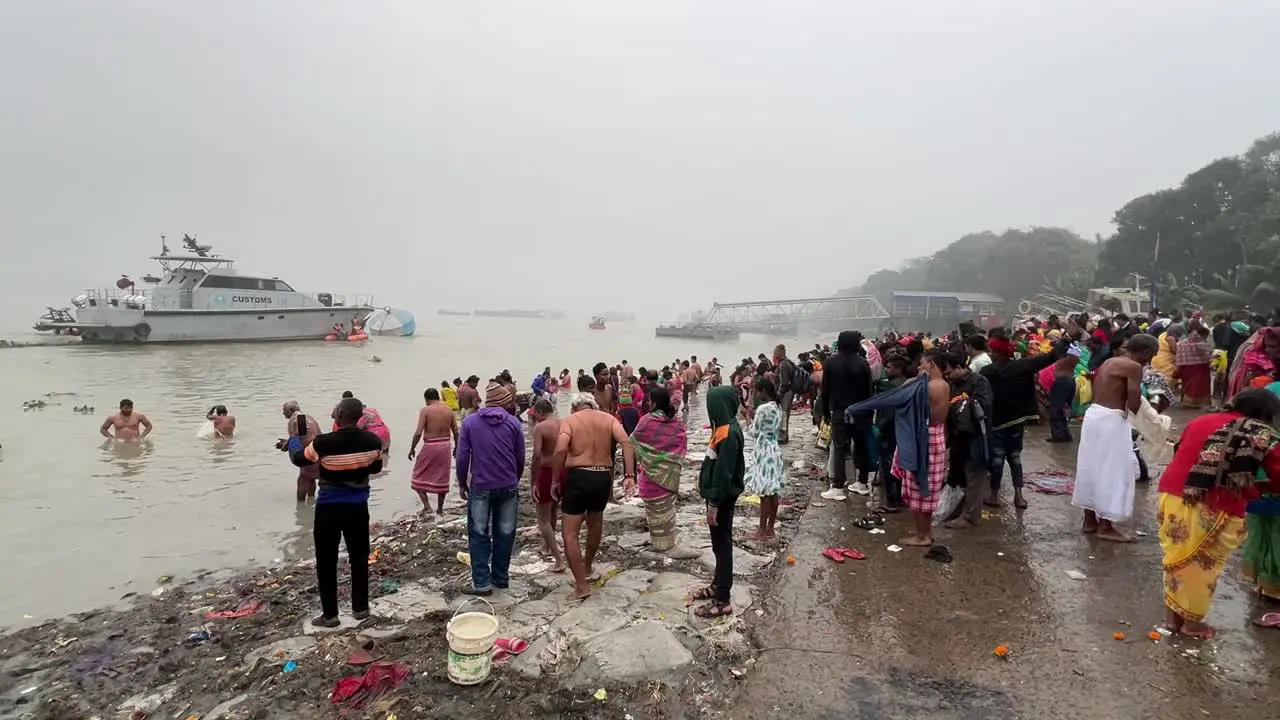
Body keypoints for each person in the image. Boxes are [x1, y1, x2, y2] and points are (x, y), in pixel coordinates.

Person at [1157, 388, 1280, 639]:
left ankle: (1174, 619)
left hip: (1172, 493)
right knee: (1202, 564)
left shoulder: (1201, 420)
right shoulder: (1260, 432)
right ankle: (1191, 623)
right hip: (1212, 501)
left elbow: (1181, 450)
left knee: (1178, 557)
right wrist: (1262, 487)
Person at [288, 397, 383, 627]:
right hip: (358, 507)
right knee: (359, 558)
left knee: (326, 560)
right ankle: (361, 608)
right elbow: (376, 467)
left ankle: (330, 615)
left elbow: (299, 459)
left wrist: (293, 441)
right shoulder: (373, 441)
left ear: (339, 415)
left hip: (329, 508)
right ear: (359, 416)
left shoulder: (323, 443)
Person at [1071, 334, 1160, 542]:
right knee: (1113, 471)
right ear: (1146, 353)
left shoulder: (1110, 361)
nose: (1151, 360)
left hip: (1094, 415)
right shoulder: (1133, 367)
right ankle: (1106, 526)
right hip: (1111, 420)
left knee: (1091, 468)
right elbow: (1134, 402)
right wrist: (1153, 412)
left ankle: (1090, 521)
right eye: (1152, 356)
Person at [552, 391, 636, 601]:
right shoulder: (608, 419)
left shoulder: (569, 421)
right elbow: (627, 443)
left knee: (570, 534)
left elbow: (561, 449)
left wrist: (555, 479)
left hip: (579, 476)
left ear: (573, 408)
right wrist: (629, 475)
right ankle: (588, 568)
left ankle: (581, 587)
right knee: (595, 524)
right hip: (602, 477)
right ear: (593, 405)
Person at [455, 382, 525, 596]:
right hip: (508, 485)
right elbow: (520, 455)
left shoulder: (470, 422)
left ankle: (482, 583)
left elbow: (462, 455)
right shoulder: (513, 423)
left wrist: (461, 483)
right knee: (505, 533)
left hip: (481, 486)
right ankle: (501, 579)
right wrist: (516, 477)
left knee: (478, 533)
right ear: (504, 403)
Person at [982, 335, 1065, 509]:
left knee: (997, 460)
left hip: (997, 422)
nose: (991, 354)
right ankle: (1019, 497)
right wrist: (1068, 339)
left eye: (992, 351)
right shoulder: (1024, 365)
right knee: (1015, 458)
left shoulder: (987, 371)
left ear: (997, 352)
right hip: (1017, 420)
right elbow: (1050, 356)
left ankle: (994, 496)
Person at [691, 386, 745, 618]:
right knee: (717, 545)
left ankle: (723, 599)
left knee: (722, 546)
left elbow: (724, 473)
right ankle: (717, 583)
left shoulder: (729, 433)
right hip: (716, 496)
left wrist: (713, 503)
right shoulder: (721, 429)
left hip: (721, 499)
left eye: (711, 404)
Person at [630, 387, 688, 551]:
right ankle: (666, 543)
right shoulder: (676, 421)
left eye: (649, 400)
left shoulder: (647, 421)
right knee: (667, 511)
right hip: (670, 474)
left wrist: (646, 457)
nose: (647, 403)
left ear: (654, 402)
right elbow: (682, 443)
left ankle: (661, 545)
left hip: (650, 475)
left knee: (655, 512)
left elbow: (633, 441)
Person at [820, 331, 875, 501]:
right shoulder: (863, 363)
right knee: (861, 446)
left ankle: (838, 486)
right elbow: (869, 390)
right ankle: (862, 483)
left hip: (839, 412)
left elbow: (825, 390)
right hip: (860, 411)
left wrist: (824, 412)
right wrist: (869, 412)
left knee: (839, 448)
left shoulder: (831, 362)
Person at [941, 353, 993, 529]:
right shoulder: (953, 384)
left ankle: (970, 517)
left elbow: (983, 406)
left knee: (975, 477)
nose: (946, 376)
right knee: (959, 475)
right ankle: (960, 510)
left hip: (976, 436)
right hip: (958, 438)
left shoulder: (979, 382)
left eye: (948, 372)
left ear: (959, 367)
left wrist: (961, 405)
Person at [527, 399, 566, 572]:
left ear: (541, 412)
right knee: (553, 510)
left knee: (542, 518)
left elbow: (536, 456)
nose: (535, 418)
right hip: (563, 471)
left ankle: (559, 560)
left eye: (535, 414)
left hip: (547, 472)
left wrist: (533, 481)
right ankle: (546, 545)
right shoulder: (564, 423)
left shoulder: (540, 428)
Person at [409, 387, 459, 516]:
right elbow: (456, 431)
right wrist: (457, 447)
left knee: (417, 476)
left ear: (426, 399)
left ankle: (427, 506)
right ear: (438, 397)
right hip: (446, 445)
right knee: (442, 477)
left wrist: (412, 448)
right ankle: (440, 510)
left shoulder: (425, 410)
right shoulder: (448, 410)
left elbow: (418, 432)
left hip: (431, 445)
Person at [745, 377, 785, 539]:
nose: (755, 394)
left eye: (756, 390)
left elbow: (754, 433)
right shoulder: (777, 407)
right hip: (774, 449)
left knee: (764, 493)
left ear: (763, 391)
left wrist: (747, 417)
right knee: (773, 491)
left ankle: (761, 530)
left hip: (763, 451)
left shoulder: (762, 409)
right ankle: (770, 528)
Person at [874, 356, 910, 512]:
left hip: (891, 430)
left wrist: (881, 428)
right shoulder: (908, 383)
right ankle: (901, 497)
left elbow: (889, 412)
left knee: (889, 465)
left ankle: (891, 501)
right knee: (900, 464)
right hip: (904, 430)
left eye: (889, 367)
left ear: (898, 368)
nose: (886, 370)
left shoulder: (893, 386)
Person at [282, 401, 321, 502]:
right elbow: (305, 434)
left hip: (307, 452)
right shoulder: (309, 417)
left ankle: (301, 506)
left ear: (291, 410)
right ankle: (311, 501)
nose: (283, 413)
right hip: (317, 449)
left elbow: (294, 437)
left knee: (303, 479)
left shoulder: (293, 419)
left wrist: (285, 446)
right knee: (310, 477)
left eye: (284, 411)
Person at [1045, 345, 1081, 443]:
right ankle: (1064, 434)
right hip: (1070, 381)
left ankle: (1058, 435)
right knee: (1061, 409)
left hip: (1061, 382)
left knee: (1055, 409)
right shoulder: (1075, 358)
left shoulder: (1067, 358)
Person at [1176, 324, 1214, 409]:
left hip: (1186, 368)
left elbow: (1180, 357)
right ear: (1201, 334)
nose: (1206, 337)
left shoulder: (1183, 343)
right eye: (1205, 336)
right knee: (1200, 386)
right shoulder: (1203, 344)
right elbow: (1208, 356)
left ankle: (1187, 403)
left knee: (1188, 385)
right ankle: (1200, 403)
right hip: (1201, 368)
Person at [773, 344, 798, 444]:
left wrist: (779, 394)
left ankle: (783, 436)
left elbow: (784, 382)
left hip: (786, 392)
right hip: (790, 391)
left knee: (783, 414)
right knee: (785, 414)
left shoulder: (783, 364)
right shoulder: (788, 362)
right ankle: (784, 435)